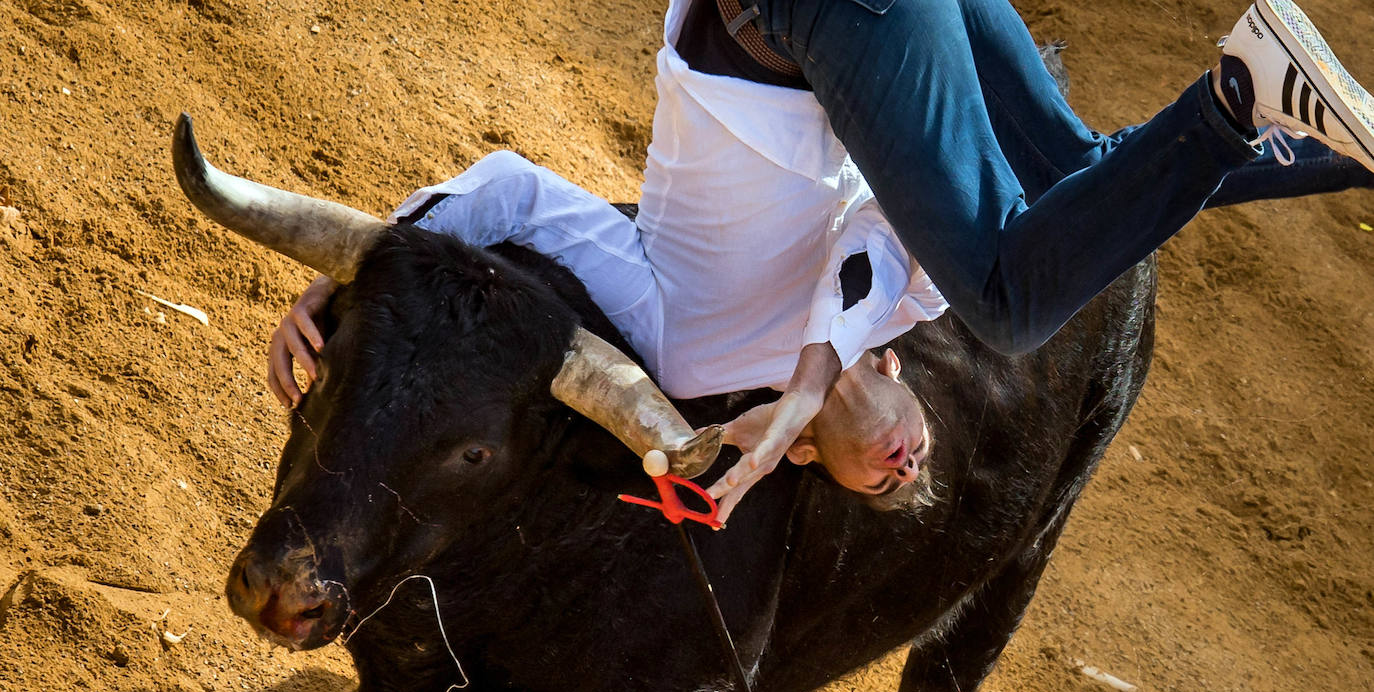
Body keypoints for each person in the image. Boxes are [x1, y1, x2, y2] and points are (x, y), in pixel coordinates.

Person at [271, 0, 1374, 522]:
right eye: (914, 467)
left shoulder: (679, 355)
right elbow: (874, 249)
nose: (901, 467)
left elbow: (509, 188)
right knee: (1070, 210)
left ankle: (1244, 94)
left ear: (805, 464)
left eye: (881, 481)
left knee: (1027, 276)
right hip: (852, 30)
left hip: (796, 17)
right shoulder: (910, 292)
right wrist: (807, 383)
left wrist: (369, 265)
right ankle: (1303, 125)